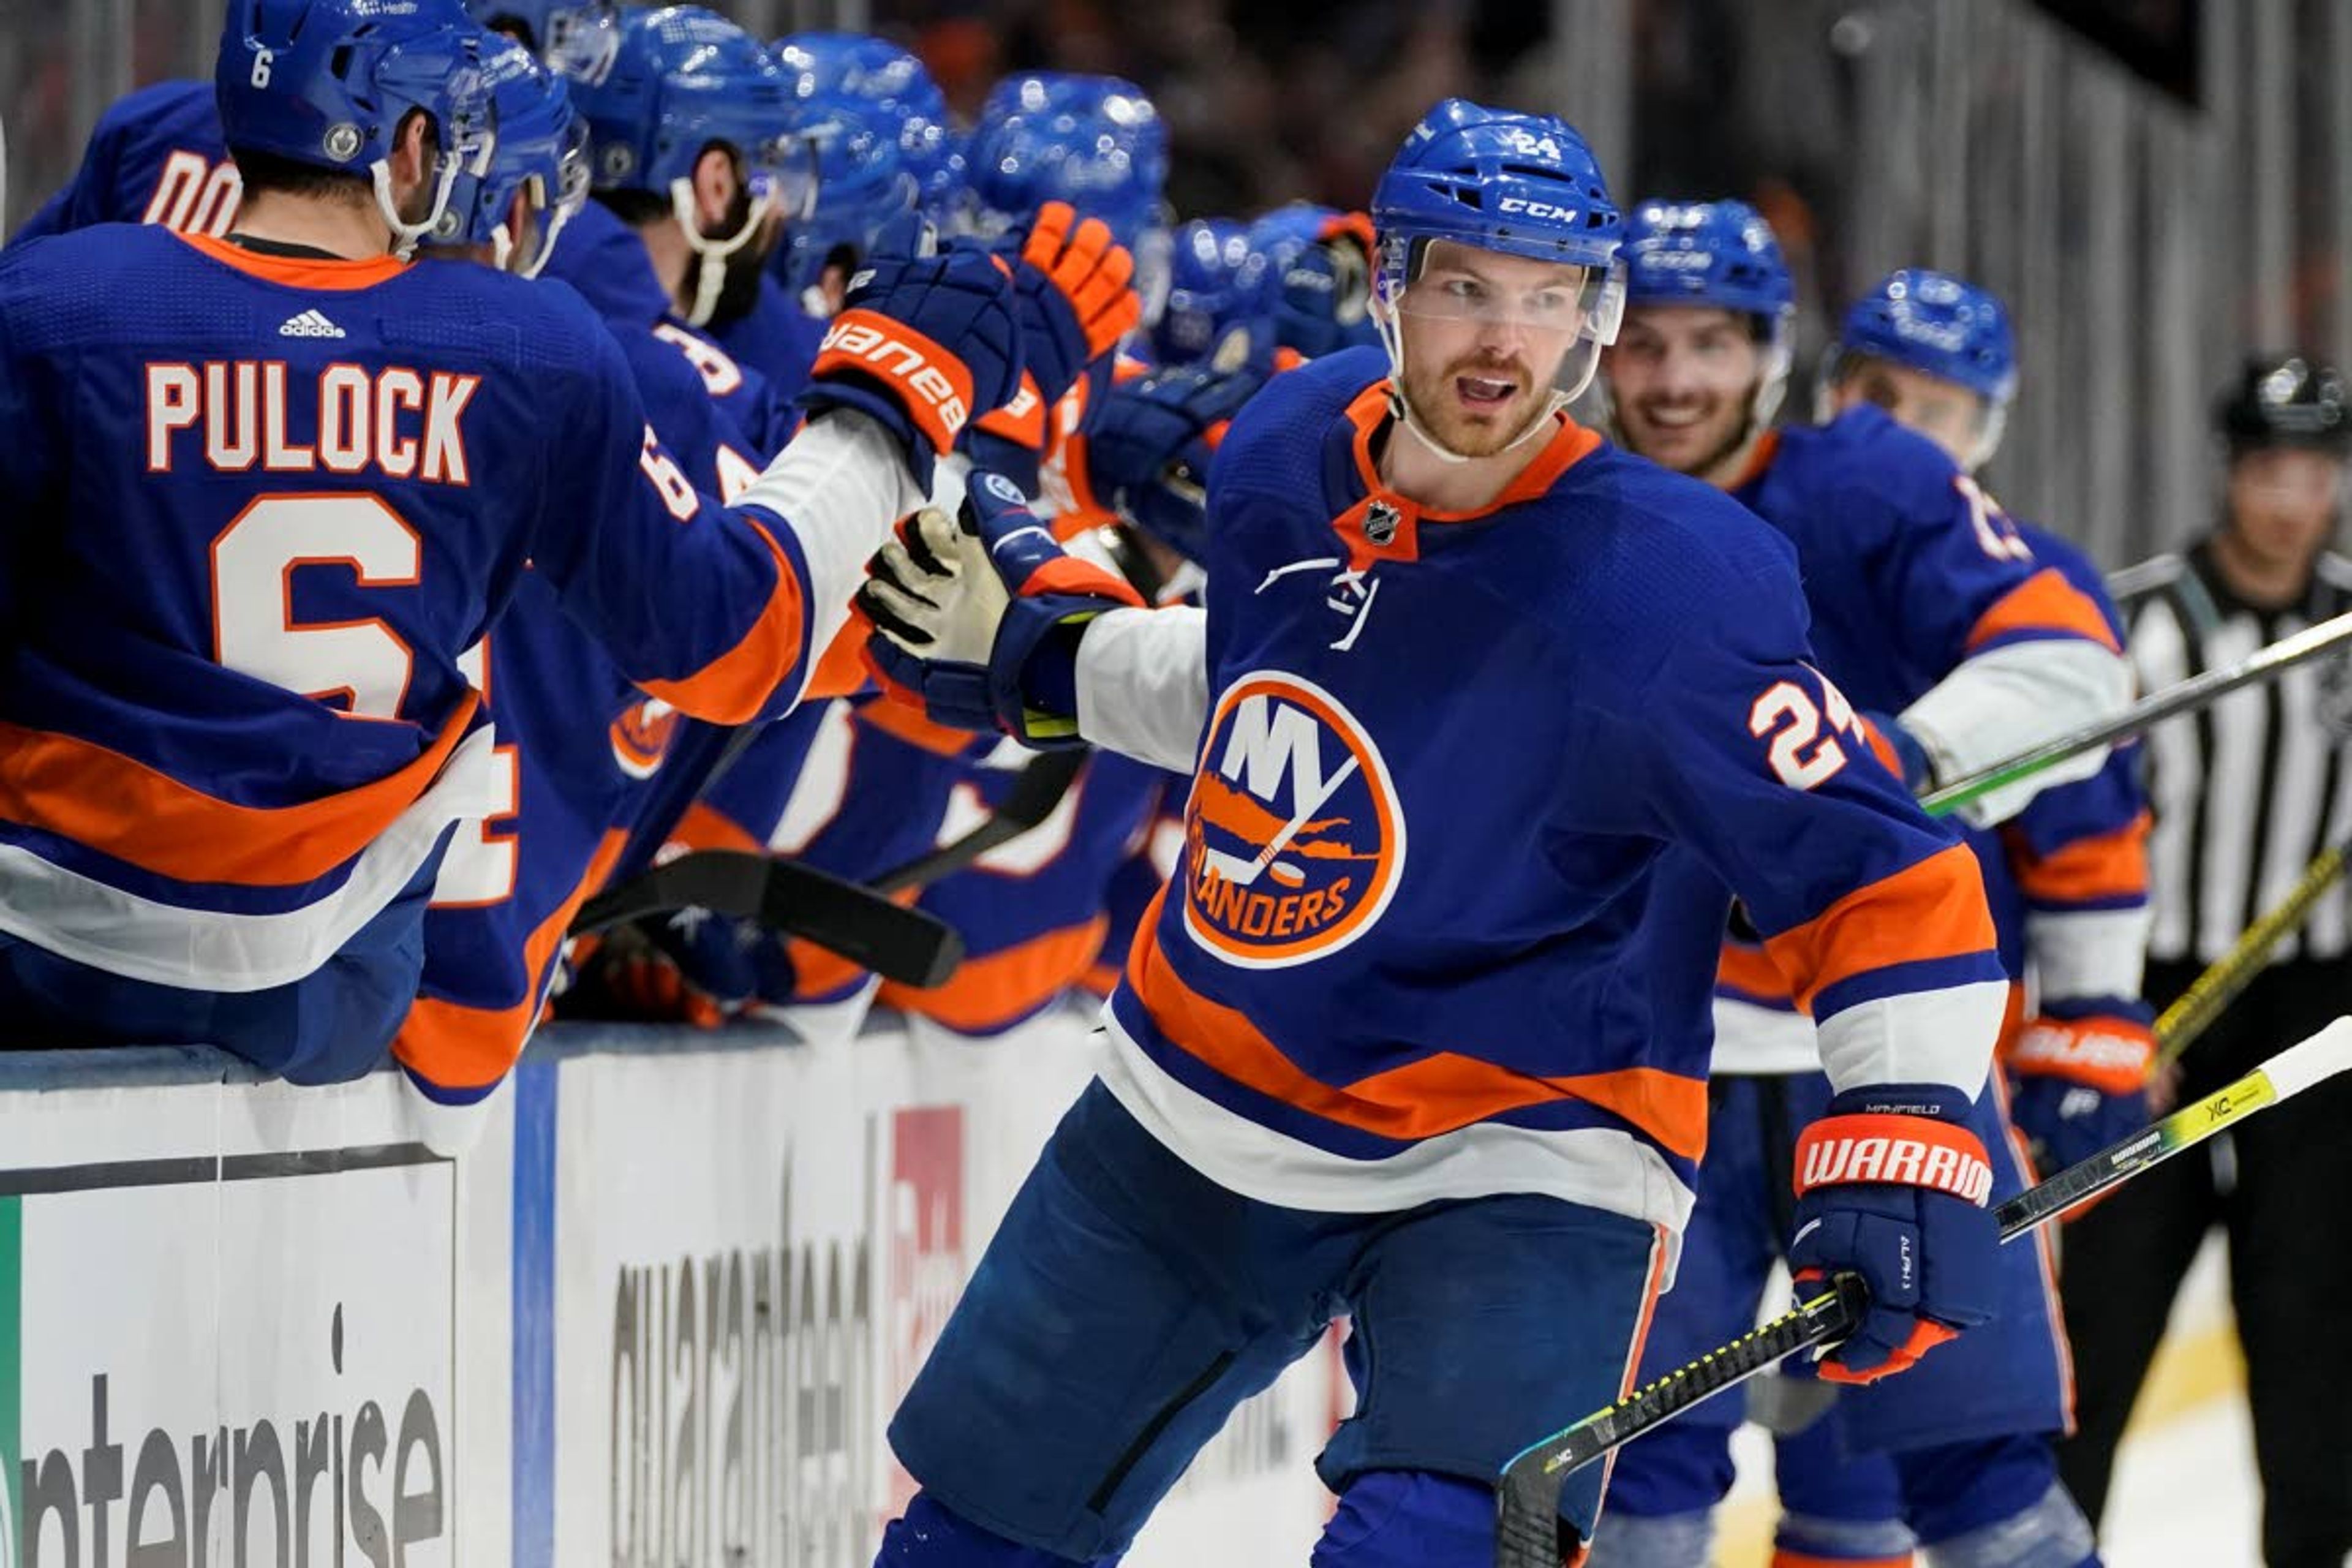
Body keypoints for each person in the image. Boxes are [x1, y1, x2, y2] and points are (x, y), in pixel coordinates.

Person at [853, 100, 2015, 1566]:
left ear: (1592, 322)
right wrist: (1054, 661)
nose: (1501, 342)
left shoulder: (1671, 589)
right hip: (1192, 1098)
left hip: (1523, 1151)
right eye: (1466, 285)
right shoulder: (1285, 442)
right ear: (1390, 286)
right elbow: (1264, 687)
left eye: (1546, 299)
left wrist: (1909, 1120)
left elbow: (1887, 873)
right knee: (966, 1546)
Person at [0, 0, 1020, 1078]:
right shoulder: (519, 347)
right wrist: (877, 413)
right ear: (409, 145)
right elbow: (732, 641)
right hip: (328, 979)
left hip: (43, 947)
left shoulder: (55, 303)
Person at [1586, 209, 2130, 1568]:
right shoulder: (1554, 506)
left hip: (1882, 1064)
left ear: (1773, 355)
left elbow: (2071, 678)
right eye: (1644, 342)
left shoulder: (1868, 483)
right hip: (1635, 1073)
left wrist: (1882, 774)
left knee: (1984, 1476)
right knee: (1629, 1477)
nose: (1673, 379)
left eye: (1711, 341)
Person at [2059, 353, 2352, 1568]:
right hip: (2156, 997)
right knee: (2106, 1311)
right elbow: (2071, 835)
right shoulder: (2141, 625)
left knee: (2313, 1322)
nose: (2291, 498)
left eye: (2317, 470)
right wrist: (2098, 1011)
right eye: (2270, 467)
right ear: (2231, 469)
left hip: (2321, 1004)